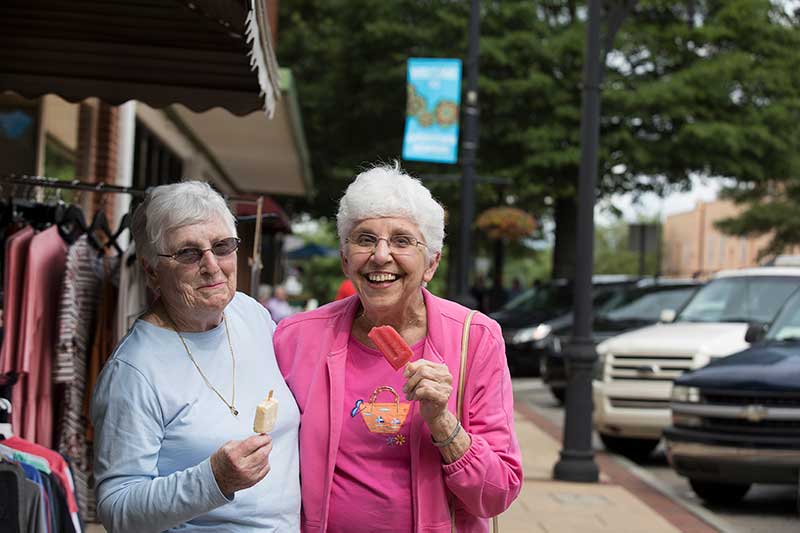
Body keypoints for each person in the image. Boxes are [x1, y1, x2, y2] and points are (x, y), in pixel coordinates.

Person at [274, 163, 522, 532]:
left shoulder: (476, 338)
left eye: (403, 241)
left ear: (431, 264)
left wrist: (442, 421)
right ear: (345, 259)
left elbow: (497, 492)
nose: (380, 256)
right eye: (365, 239)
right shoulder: (295, 337)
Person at [90, 181, 300, 532]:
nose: (212, 266)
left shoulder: (250, 314)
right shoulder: (134, 371)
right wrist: (212, 480)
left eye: (222, 247)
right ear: (152, 271)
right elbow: (116, 509)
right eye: (188, 253)